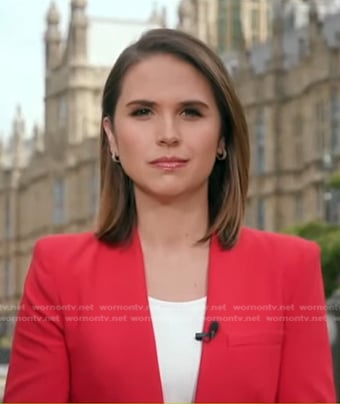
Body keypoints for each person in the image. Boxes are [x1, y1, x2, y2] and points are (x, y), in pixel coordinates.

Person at [3, 28, 336, 403]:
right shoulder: (57, 270)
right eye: (143, 112)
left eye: (191, 112)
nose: (168, 134)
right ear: (111, 137)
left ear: (222, 137)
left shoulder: (292, 268)